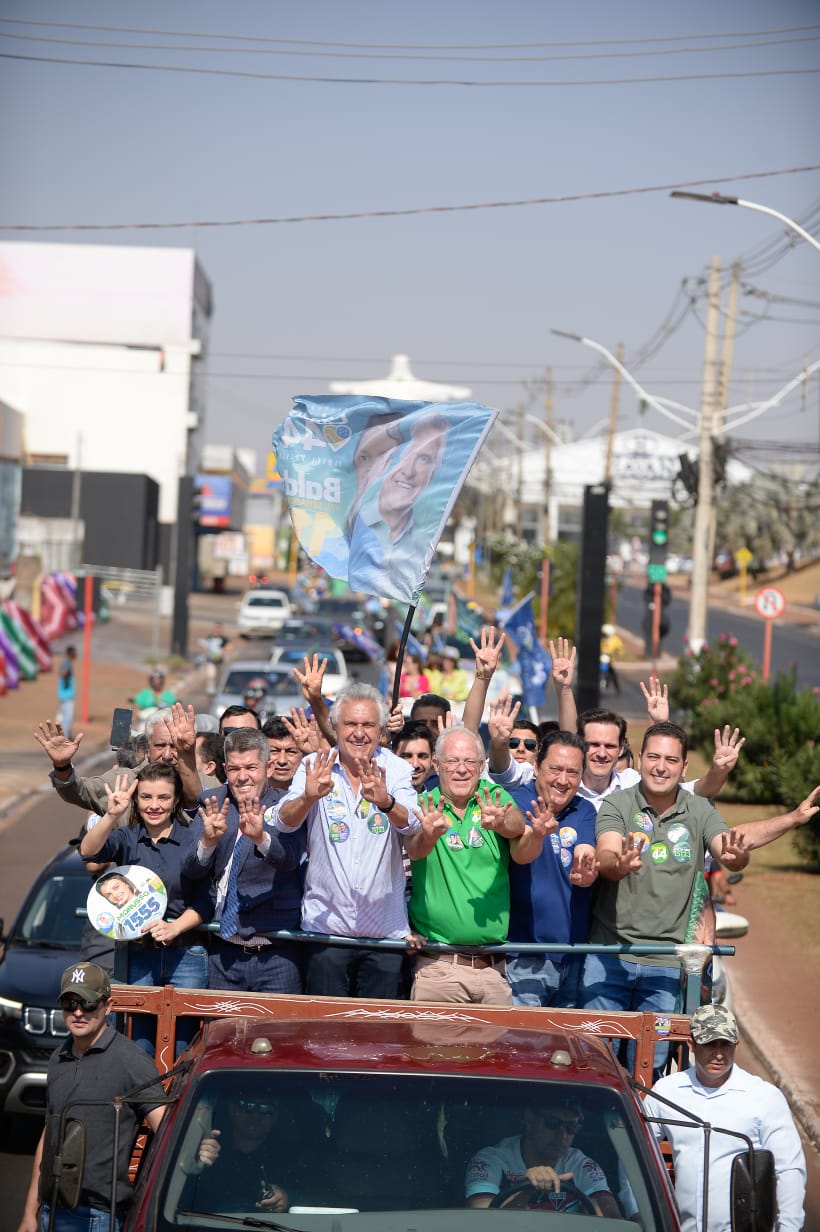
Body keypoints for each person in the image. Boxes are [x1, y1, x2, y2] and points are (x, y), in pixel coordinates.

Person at [581, 721, 820, 1071]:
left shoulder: (699, 810)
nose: (660, 766)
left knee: (650, 1070)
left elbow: (731, 847)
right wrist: (618, 864)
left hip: (665, 964)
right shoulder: (619, 804)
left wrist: (791, 820)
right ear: (639, 760)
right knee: (593, 1064)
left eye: (670, 760)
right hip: (608, 957)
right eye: (652, 757)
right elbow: (606, 853)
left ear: (684, 767)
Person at [274, 682, 420, 998]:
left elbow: (414, 823)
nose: (358, 733)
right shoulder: (315, 766)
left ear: (382, 730)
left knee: (376, 1036)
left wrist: (387, 803)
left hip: (383, 932)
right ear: (335, 727)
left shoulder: (395, 769)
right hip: (325, 930)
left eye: (368, 724)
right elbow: (283, 822)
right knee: (325, 1035)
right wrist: (308, 798)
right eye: (350, 724)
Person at [17, 963, 165, 1232]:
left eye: (88, 1003)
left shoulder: (130, 1061)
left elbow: (166, 1131)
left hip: (98, 1218)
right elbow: (50, 1135)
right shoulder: (57, 1059)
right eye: (70, 1003)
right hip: (51, 1212)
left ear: (107, 1006)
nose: (78, 1012)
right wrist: (30, 1214)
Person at [409, 726, 545, 1006]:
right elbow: (414, 850)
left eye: (470, 762)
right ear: (437, 764)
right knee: (435, 1050)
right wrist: (429, 835)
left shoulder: (492, 797)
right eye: (452, 761)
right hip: (438, 968)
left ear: (482, 766)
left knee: (493, 1051)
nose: (461, 769)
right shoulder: (424, 804)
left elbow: (518, 824)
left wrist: (500, 823)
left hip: (493, 970)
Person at [81, 763, 211, 1053]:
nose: (154, 805)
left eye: (163, 798)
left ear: (176, 799)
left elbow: (207, 899)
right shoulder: (127, 838)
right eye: (146, 797)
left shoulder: (192, 840)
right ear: (136, 800)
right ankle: (145, 1101)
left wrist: (175, 927)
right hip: (139, 955)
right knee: (138, 1047)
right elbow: (89, 851)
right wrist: (111, 816)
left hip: (186, 955)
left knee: (183, 1048)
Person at [643, 1005, 806, 1231]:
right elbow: (636, 1151)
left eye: (725, 1044)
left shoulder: (764, 1097)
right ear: (692, 1044)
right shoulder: (666, 1092)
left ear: (736, 1045)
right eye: (710, 1043)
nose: (719, 1054)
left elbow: (789, 1169)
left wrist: (788, 1228)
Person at [182, 727, 306, 994]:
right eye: (235, 769)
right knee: (221, 1032)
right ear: (225, 769)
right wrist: (208, 844)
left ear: (269, 767)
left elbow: (290, 860)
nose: (242, 777)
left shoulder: (288, 806)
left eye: (251, 767)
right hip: (222, 954)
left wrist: (262, 838)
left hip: (277, 954)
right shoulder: (212, 803)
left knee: (277, 1035)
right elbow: (190, 870)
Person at [507, 732, 598, 1009]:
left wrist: (587, 872)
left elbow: (587, 850)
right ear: (535, 767)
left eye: (572, 772)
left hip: (573, 958)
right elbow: (517, 846)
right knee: (523, 1047)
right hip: (522, 957)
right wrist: (534, 834)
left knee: (565, 1051)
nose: (562, 780)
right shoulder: (515, 802)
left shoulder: (584, 810)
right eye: (555, 769)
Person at [37, 704, 202, 815]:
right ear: (147, 746)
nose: (166, 755)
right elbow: (79, 792)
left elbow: (198, 801)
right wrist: (62, 765)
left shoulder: (207, 785)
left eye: (175, 746)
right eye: (159, 745)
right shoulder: (123, 782)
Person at [465, 1098, 621, 1215]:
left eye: (571, 1127)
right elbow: (481, 1219)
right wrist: (526, 1189)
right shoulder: (489, 1160)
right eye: (552, 1123)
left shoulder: (582, 1165)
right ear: (529, 1120)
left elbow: (612, 1220)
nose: (562, 1135)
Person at [57, 645, 77, 737]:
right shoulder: (67, 663)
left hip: (64, 695)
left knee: (63, 717)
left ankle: (65, 734)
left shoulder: (65, 663)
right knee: (68, 717)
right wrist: (65, 677)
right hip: (67, 696)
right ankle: (65, 736)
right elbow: (63, 672)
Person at [599, 623, 624, 695]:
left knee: (613, 675)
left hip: (609, 660)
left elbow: (620, 649)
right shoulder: (603, 639)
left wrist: (618, 653)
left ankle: (618, 690)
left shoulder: (615, 639)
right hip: (601, 659)